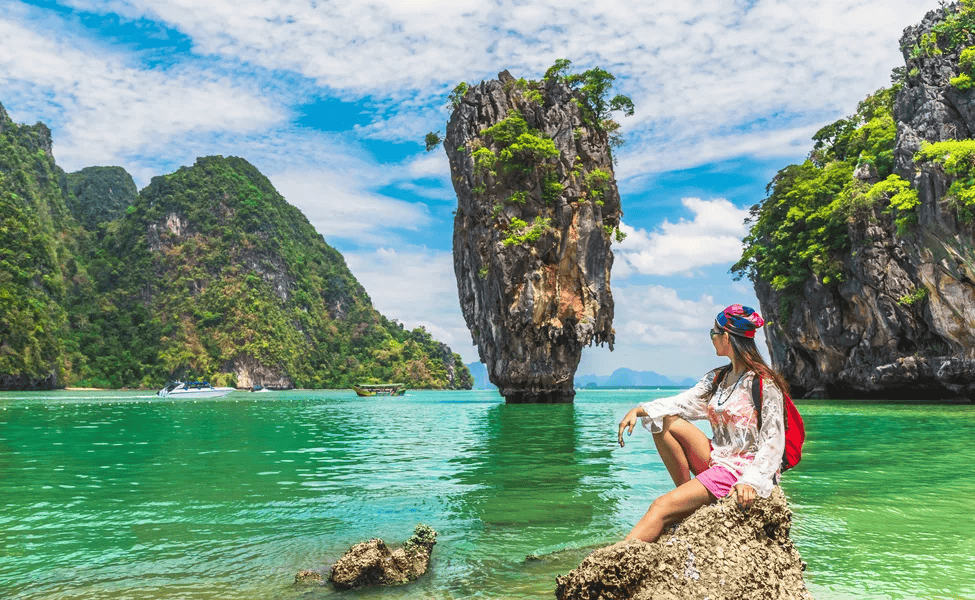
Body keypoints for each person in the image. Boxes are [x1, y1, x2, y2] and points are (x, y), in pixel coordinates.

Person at [616, 304, 789, 543]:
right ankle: (686, 503)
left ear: (726, 337)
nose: (711, 339)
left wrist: (750, 481)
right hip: (718, 458)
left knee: (660, 507)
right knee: (664, 420)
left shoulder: (763, 384)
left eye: (713, 334)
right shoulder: (718, 378)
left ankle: (610, 562)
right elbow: (683, 403)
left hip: (741, 470)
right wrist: (639, 410)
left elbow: (773, 440)